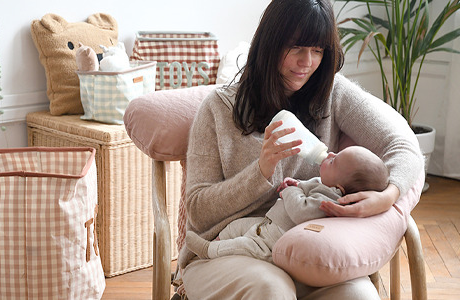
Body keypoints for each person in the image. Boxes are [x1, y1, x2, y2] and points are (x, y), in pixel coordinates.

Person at [179, 0, 424, 298]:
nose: (307, 61)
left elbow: (403, 145)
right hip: (227, 249)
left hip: (307, 249)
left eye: (318, 50)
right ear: (270, 43)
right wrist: (260, 172)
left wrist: (388, 195)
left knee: (359, 295)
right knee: (271, 289)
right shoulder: (218, 109)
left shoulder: (333, 95)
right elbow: (198, 209)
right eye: (296, 47)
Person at [185, 146, 389, 261]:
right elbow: (309, 187)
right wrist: (298, 184)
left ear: (339, 188)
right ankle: (215, 242)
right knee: (237, 226)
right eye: (336, 153)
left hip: (275, 239)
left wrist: (291, 190)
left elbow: (302, 211)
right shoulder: (324, 184)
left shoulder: (330, 199)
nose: (330, 154)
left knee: (245, 245)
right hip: (267, 224)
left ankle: (210, 251)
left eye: (334, 161)